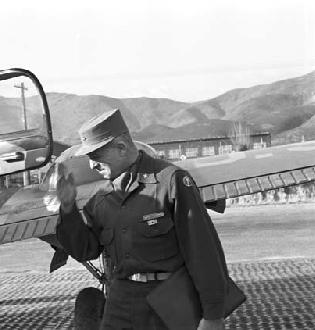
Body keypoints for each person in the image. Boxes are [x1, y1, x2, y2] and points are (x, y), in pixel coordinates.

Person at [56, 109, 228, 330]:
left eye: (96, 156)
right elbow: (84, 251)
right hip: (121, 300)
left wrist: (213, 314)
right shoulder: (101, 199)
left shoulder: (171, 182)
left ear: (121, 147)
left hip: (168, 299)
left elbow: (203, 250)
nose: (92, 165)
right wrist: (68, 208)